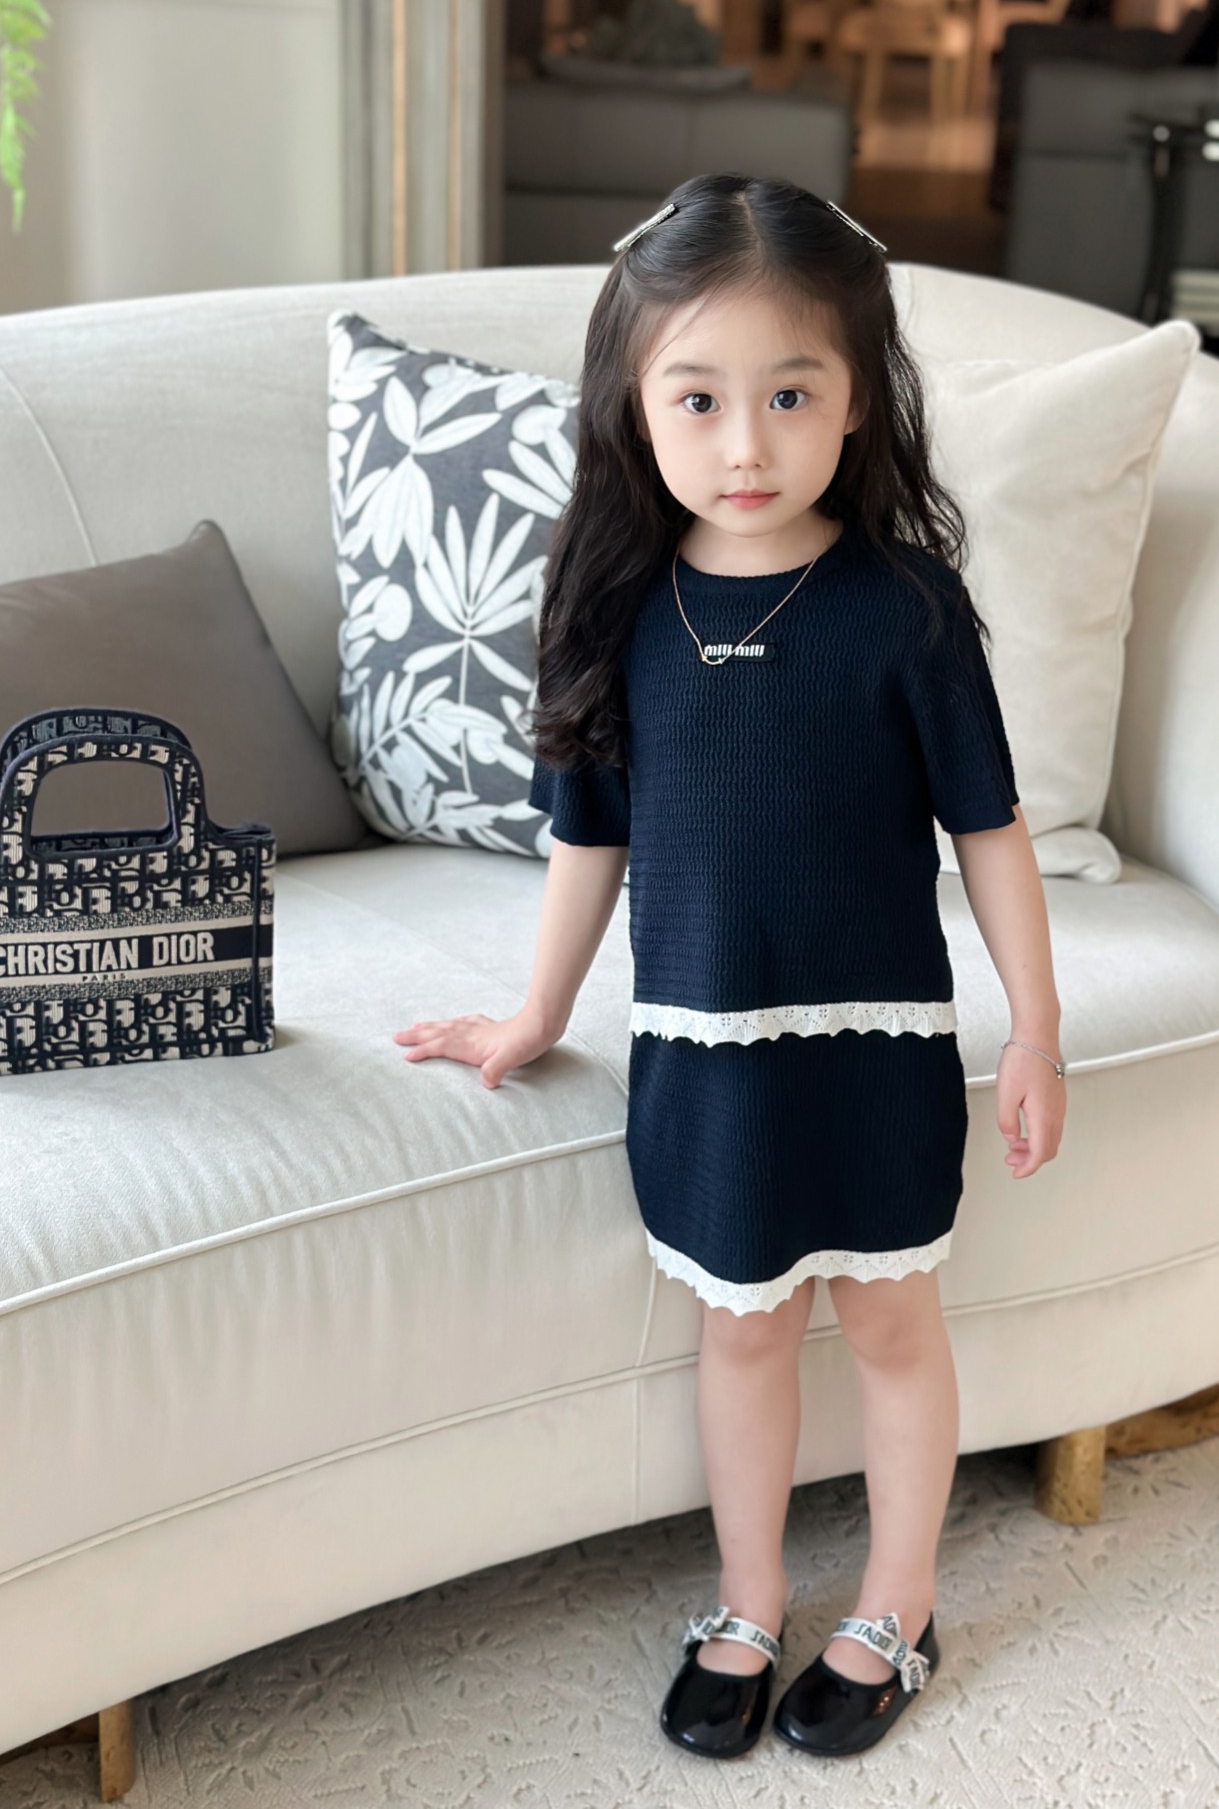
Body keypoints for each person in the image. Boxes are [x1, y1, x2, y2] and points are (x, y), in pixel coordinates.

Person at [393, 173, 1066, 1761]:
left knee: (890, 1324)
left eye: (790, 394)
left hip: (879, 1044)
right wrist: (535, 1011)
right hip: (700, 1055)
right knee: (745, 1330)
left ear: (858, 399)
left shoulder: (905, 609)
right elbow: (588, 838)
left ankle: (895, 1602)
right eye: (698, 398)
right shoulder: (618, 609)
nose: (745, 444)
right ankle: (749, 1599)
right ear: (635, 406)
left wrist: (1035, 1031)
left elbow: (988, 830)